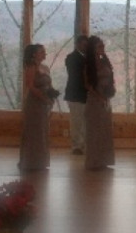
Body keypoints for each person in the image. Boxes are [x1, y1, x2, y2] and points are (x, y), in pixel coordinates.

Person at [20, 43, 57, 171]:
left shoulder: (45, 67)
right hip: (34, 103)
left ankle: (41, 161)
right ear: (34, 54)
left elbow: (50, 85)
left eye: (44, 51)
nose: (44, 53)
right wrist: (44, 98)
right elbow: (30, 86)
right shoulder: (31, 67)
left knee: (43, 131)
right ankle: (31, 162)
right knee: (34, 131)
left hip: (45, 103)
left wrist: (52, 98)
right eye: (42, 51)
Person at [84, 35, 116, 170]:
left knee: (105, 130)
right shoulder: (88, 65)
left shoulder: (105, 62)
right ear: (93, 49)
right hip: (94, 100)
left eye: (103, 46)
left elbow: (110, 77)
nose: (102, 48)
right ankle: (94, 162)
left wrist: (111, 89)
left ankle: (103, 160)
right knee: (95, 131)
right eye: (99, 46)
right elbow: (87, 85)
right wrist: (99, 96)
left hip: (106, 99)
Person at [64, 34, 88, 155]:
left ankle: (84, 144)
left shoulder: (86, 58)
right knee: (76, 121)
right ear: (77, 44)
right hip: (75, 93)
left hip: (85, 94)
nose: (85, 47)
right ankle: (76, 146)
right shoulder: (71, 58)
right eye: (84, 45)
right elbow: (77, 75)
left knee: (85, 121)